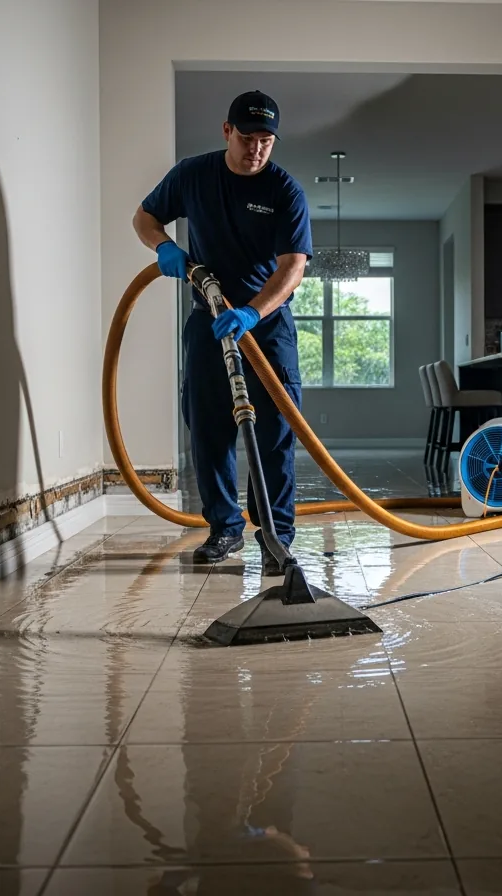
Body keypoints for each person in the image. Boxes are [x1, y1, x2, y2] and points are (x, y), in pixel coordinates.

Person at [133, 90, 312, 575]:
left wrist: (253, 313)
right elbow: (144, 217)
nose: (257, 149)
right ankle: (225, 529)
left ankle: (275, 536)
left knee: (274, 430)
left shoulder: (284, 190)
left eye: (267, 141)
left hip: (266, 325)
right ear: (227, 131)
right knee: (208, 425)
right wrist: (164, 246)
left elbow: (293, 266)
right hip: (207, 318)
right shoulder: (193, 174)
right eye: (248, 138)